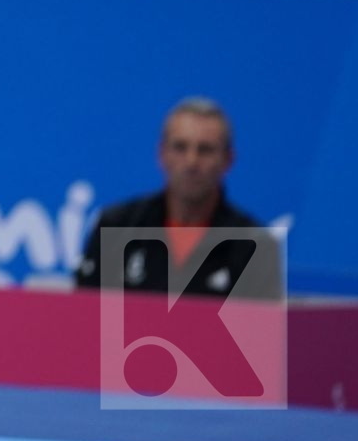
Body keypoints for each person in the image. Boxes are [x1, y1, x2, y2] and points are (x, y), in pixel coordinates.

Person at [76, 97, 285, 300]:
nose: (191, 162)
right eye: (180, 147)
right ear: (161, 154)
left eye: (205, 150)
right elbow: (82, 320)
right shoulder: (116, 228)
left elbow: (259, 334)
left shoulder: (254, 247)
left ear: (228, 160)